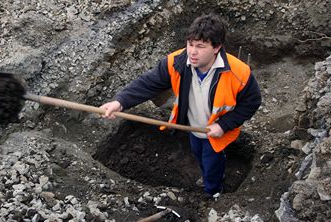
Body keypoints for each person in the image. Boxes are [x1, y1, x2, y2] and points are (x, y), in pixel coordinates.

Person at [100, 14, 261, 198]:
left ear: (216, 47)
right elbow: (148, 83)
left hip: (216, 131)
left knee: (211, 162)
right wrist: (120, 102)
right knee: (197, 153)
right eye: (190, 44)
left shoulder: (238, 72)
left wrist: (223, 125)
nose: (192, 51)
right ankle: (209, 177)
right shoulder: (176, 62)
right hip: (192, 126)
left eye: (200, 47)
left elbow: (252, 102)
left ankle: (214, 191)